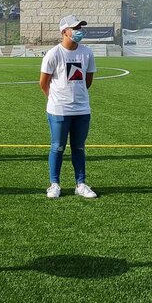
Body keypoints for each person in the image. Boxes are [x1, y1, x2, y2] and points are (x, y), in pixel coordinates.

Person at [39, 15, 97, 199]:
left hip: (82, 110)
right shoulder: (53, 54)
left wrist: (77, 97)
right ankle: (54, 184)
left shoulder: (87, 52)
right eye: (75, 28)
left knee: (79, 147)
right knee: (57, 147)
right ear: (64, 31)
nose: (79, 31)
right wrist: (56, 100)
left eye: (80, 27)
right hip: (59, 110)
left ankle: (80, 184)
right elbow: (43, 82)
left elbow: (87, 80)